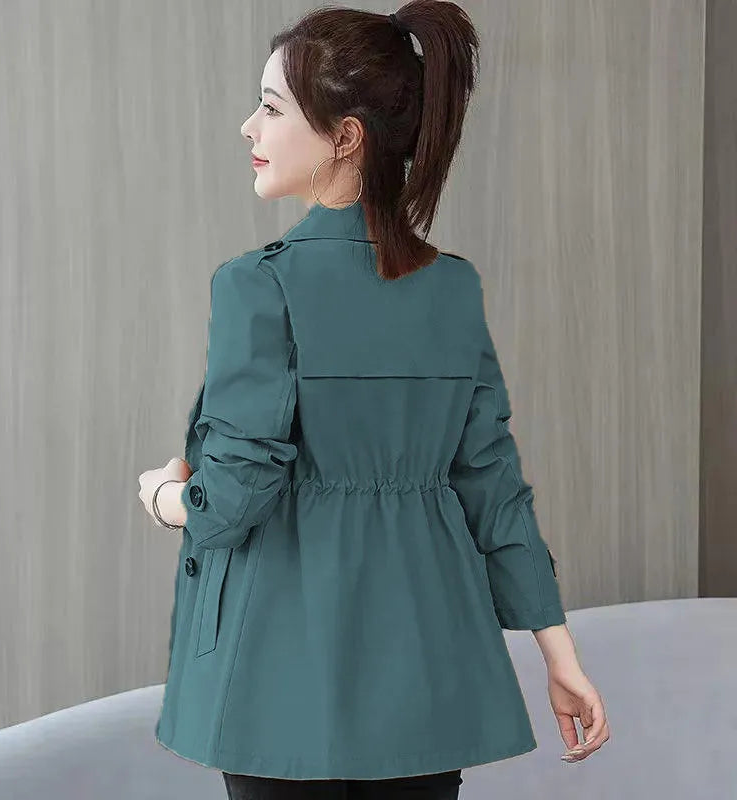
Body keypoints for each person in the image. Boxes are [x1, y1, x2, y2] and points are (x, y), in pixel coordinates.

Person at [140, 1, 610, 797]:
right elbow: (492, 487)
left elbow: (234, 495)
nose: (249, 127)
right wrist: (560, 658)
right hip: (424, 673)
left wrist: (164, 497)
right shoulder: (451, 289)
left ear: (346, 136)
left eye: (272, 107)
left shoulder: (259, 286)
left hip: (277, 677)